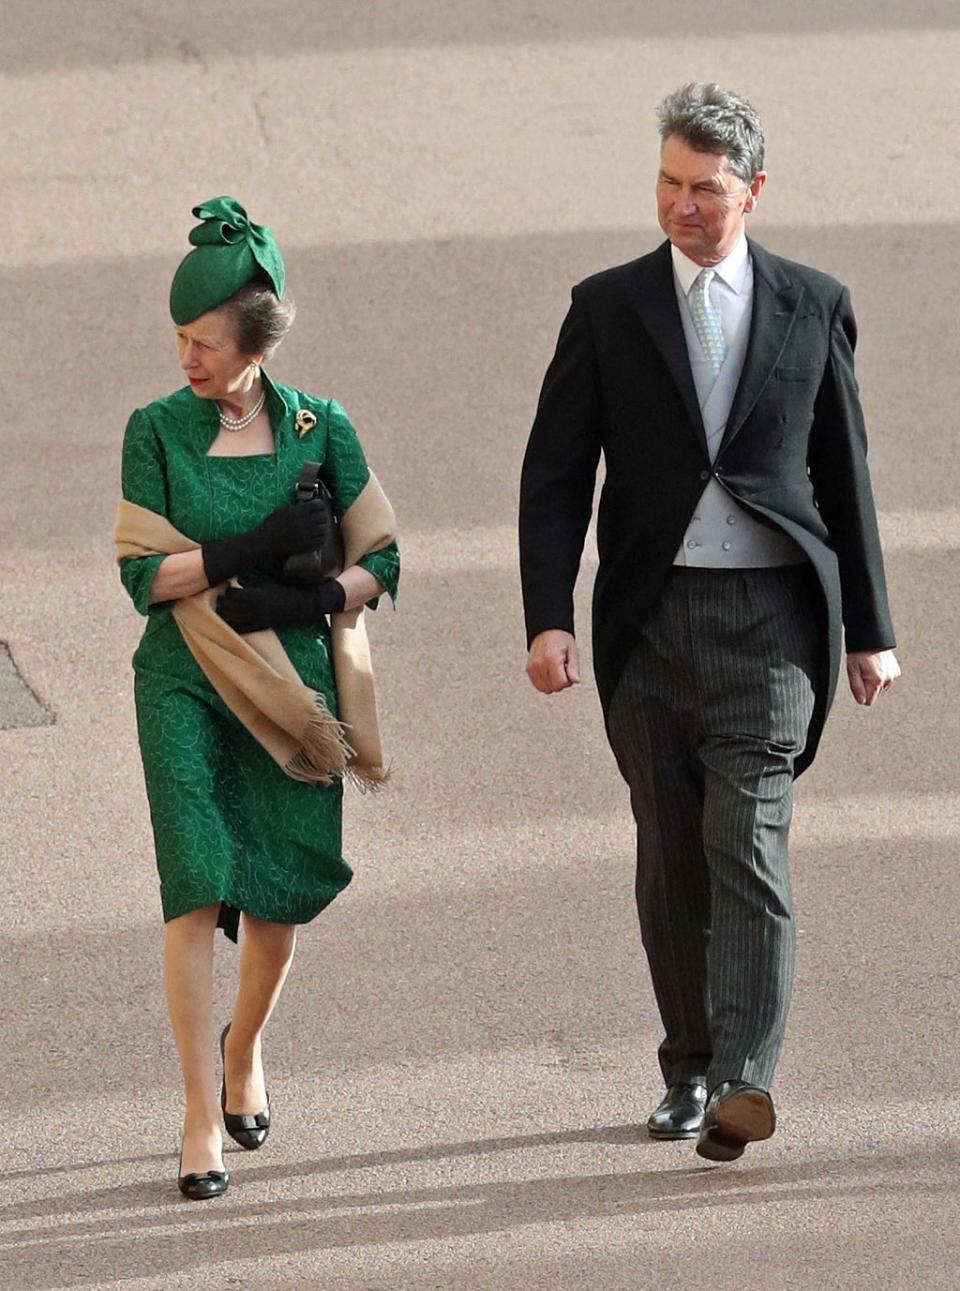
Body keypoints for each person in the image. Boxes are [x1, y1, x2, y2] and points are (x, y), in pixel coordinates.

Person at [519, 84, 899, 1163]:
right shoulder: (605, 307)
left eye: (707, 190)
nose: (683, 206)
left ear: (755, 192)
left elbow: (845, 473)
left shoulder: (813, 304)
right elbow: (554, 475)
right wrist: (549, 618)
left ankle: (744, 1077)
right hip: (649, 623)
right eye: (669, 184)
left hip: (772, 622)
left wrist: (869, 628)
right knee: (672, 855)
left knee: (751, 843)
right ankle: (686, 1070)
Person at [115, 197, 399, 1199]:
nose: (187, 357)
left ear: (253, 339)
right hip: (184, 679)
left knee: (276, 901)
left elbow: (388, 558)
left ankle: (245, 1053)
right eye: (179, 339)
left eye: (204, 340)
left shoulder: (324, 429)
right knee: (197, 884)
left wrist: (318, 591)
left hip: (292, 692)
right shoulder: (154, 430)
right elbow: (143, 577)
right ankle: (200, 1116)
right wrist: (245, 548)